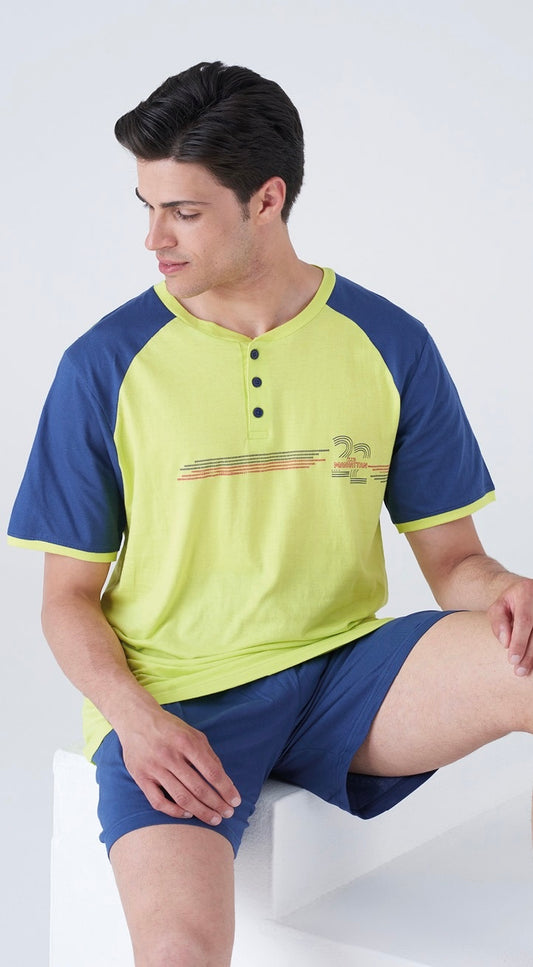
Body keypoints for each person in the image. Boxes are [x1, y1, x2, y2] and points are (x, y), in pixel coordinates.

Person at [7, 60, 533, 967]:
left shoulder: (388, 342)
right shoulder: (104, 364)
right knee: (178, 950)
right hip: (180, 703)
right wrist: (135, 718)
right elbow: (65, 599)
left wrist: (507, 589)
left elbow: (454, 562)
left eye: (183, 211)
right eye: (147, 207)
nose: (153, 238)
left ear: (267, 199)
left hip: (347, 678)